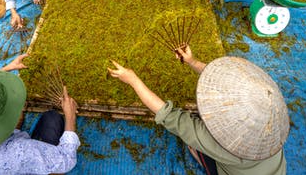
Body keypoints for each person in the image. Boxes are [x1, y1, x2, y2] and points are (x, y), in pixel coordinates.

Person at [108, 45, 289, 175]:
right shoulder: (268, 104)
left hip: (236, 169)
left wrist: (133, 80)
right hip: (276, 170)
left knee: (192, 142)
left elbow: (169, 116)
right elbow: (224, 78)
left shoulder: (219, 142)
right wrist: (191, 61)